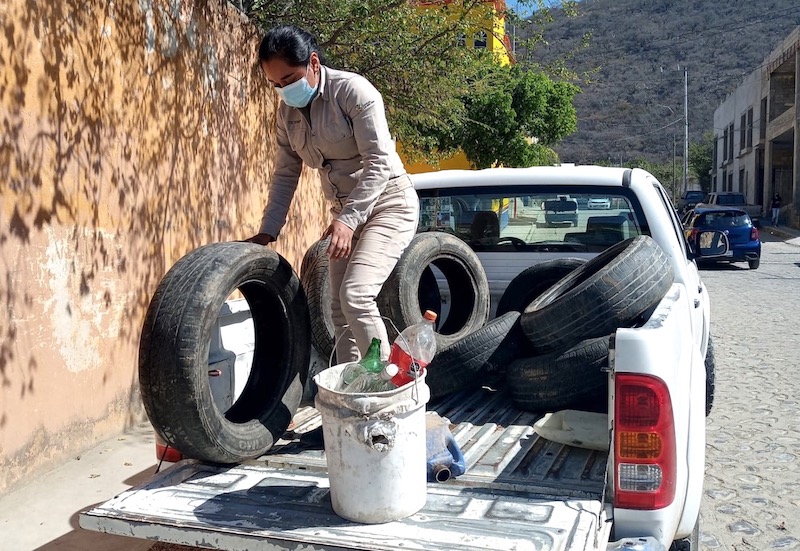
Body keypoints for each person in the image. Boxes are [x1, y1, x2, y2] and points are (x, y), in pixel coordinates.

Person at [246, 25, 419, 364]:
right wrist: (269, 228)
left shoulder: (354, 92)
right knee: (339, 310)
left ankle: (382, 387)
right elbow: (285, 173)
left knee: (355, 296)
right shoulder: (287, 115)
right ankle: (350, 390)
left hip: (389, 205)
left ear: (312, 63)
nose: (284, 90)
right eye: (275, 85)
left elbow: (379, 162)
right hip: (344, 215)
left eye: (290, 79)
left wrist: (348, 220)